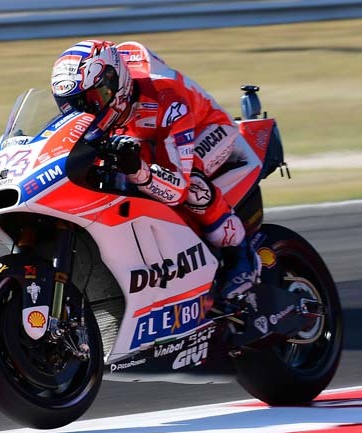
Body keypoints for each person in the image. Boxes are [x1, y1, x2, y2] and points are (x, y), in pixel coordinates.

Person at [51, 39, 261, 302]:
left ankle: (240, 255)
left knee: (193, 187)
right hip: (143, 136)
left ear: (113, 83)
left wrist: (141, 172)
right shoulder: (105, 106)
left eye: (91, 99)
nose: (83, 110)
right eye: (71, 104)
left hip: (204, 128)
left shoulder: (166, 101)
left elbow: (178, 188)